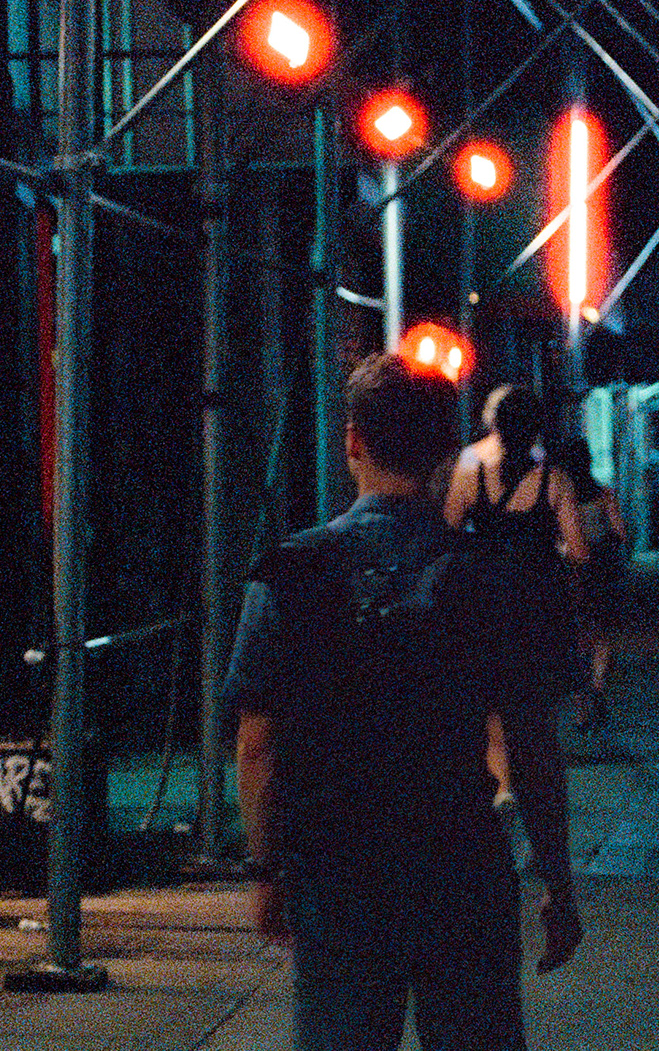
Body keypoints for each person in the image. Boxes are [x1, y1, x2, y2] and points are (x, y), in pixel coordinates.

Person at [227, 355, 580, 1051]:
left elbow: (257, 745)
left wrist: (267, 872)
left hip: (340, 866)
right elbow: (531, 743)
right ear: (447, 449)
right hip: (460, 859)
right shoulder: (487, 578)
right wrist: (557, 880)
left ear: (353, 441)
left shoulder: (294, 572)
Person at [442, 385, 590, 804]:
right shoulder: (554, 478)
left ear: (494, 423)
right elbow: (579, 550)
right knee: (536, 704)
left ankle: (502, 785)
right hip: (541, 602)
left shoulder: (470, 469)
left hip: (485, 600)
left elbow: (447, 532)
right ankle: (541, 791)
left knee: (491, 700)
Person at [552, 437, 628, 736]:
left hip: (569, 572)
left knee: (574, 637)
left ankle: (580, 706)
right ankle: (596, 689)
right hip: (600, 570)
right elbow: (620, 532)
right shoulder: (603, 492)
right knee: (601, 634)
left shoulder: (558, 494)